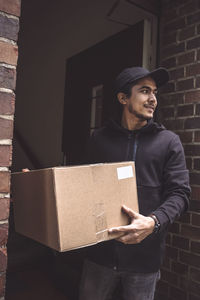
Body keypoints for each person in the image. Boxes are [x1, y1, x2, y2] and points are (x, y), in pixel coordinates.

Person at [79, 67, 190, 300]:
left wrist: (153, 222)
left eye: (155, 92)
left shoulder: (168, 142)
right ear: (123, 98)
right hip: (100, 255)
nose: (153, 99)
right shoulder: (99, 139)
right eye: (144, 91)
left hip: (144, 259)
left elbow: (180, 194)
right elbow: (80, 185)